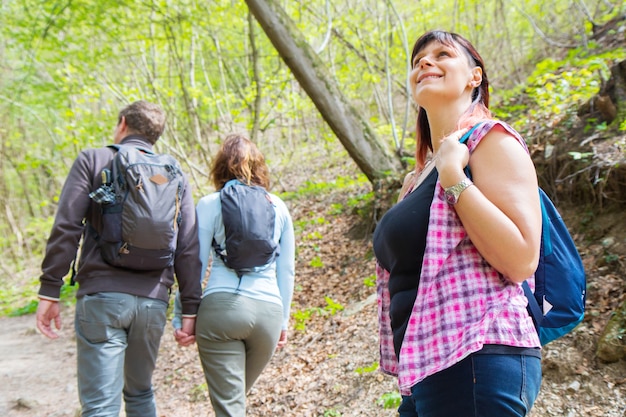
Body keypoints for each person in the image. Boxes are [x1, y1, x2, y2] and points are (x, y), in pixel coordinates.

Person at [372, 30, 544, 417]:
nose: (424, 63)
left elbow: (520, 259)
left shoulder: (491, 140)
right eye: (418, 60)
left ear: (474, 77)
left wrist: (453, 177)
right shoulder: (415, 180)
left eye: (442, 54)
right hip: (426, 364)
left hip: (478, 352)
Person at [36, 100, 202, 417]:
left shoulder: (94, 160)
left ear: (122, 123)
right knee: (140, 395)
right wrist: (191, 307)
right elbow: (188, 245)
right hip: (153, 301)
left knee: (100, 406)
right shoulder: (173, 174)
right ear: (156, 135)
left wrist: (49, 289)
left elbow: (67, 226)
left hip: (102, 296)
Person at [174, 134, 295, 417]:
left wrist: (183, 316)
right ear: (260, 168)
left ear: (219, 169)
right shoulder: (279, 207)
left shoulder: (209, 204)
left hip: (222, 313)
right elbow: (286, 270)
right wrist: (284, 321)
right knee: (234, 403)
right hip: (268, 314)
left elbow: (194, 265)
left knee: (230, 408)